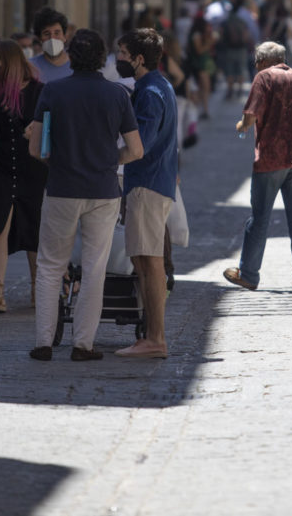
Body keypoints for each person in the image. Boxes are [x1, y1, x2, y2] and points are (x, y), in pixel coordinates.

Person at [29, 29, 144, 362]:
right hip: (103, 189)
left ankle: (44, 342)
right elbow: (135, 149)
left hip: (62, 188)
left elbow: (36, 147)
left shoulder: (53, 91)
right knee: (94, 268)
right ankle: (83, 344)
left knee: (50, 265)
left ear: (70, 55)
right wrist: (111, 161)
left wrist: (58, 160)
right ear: (102, 58)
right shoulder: (117, 95)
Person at [223, 41, 292, 294]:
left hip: (270, 159)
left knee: (259, 219)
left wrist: (241, 127)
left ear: (262, 62)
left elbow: (250, 117)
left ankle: (249, 274)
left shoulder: (263, 78)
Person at [115, 29, 178, 359]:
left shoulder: (151, 92)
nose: (118, 59)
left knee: (150, 262)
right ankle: (152, 336)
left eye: (123, 53)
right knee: (143, 260)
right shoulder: (156, 86)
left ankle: (155, 338)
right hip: (152, 183)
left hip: (148, 184)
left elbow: (139, 148)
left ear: (139, 59)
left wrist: (107, 160)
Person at [0, 40, 47, 313]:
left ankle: (40, 288)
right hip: (1, 167)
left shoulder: (40, 92)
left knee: (34, 228)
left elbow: (49, 129)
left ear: (9, 62)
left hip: (33, 168)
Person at [217, 0, 253, 99]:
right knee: (241, 69)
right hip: (241, 49)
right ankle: (240, 90)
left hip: (229, 49)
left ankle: (230, 90)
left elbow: (221, 35)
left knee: (230, 70)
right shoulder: (241, 22)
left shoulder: (226, 22)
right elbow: (246, 36)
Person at [29, 7, 72, 83]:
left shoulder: (78, 66)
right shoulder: (30, 67)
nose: (52, 38)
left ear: (64, 37)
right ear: (39, 39)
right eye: (47, 34)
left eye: (57, 33)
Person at [185, 15, 216, 117]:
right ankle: (200, 110)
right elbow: (199, 50)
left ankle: (203, 109)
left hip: (201, 65)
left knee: (204, 88)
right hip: (199, 65)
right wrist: (209, 43)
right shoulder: (197, 35)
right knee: (203, 87)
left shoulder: (199, 34)